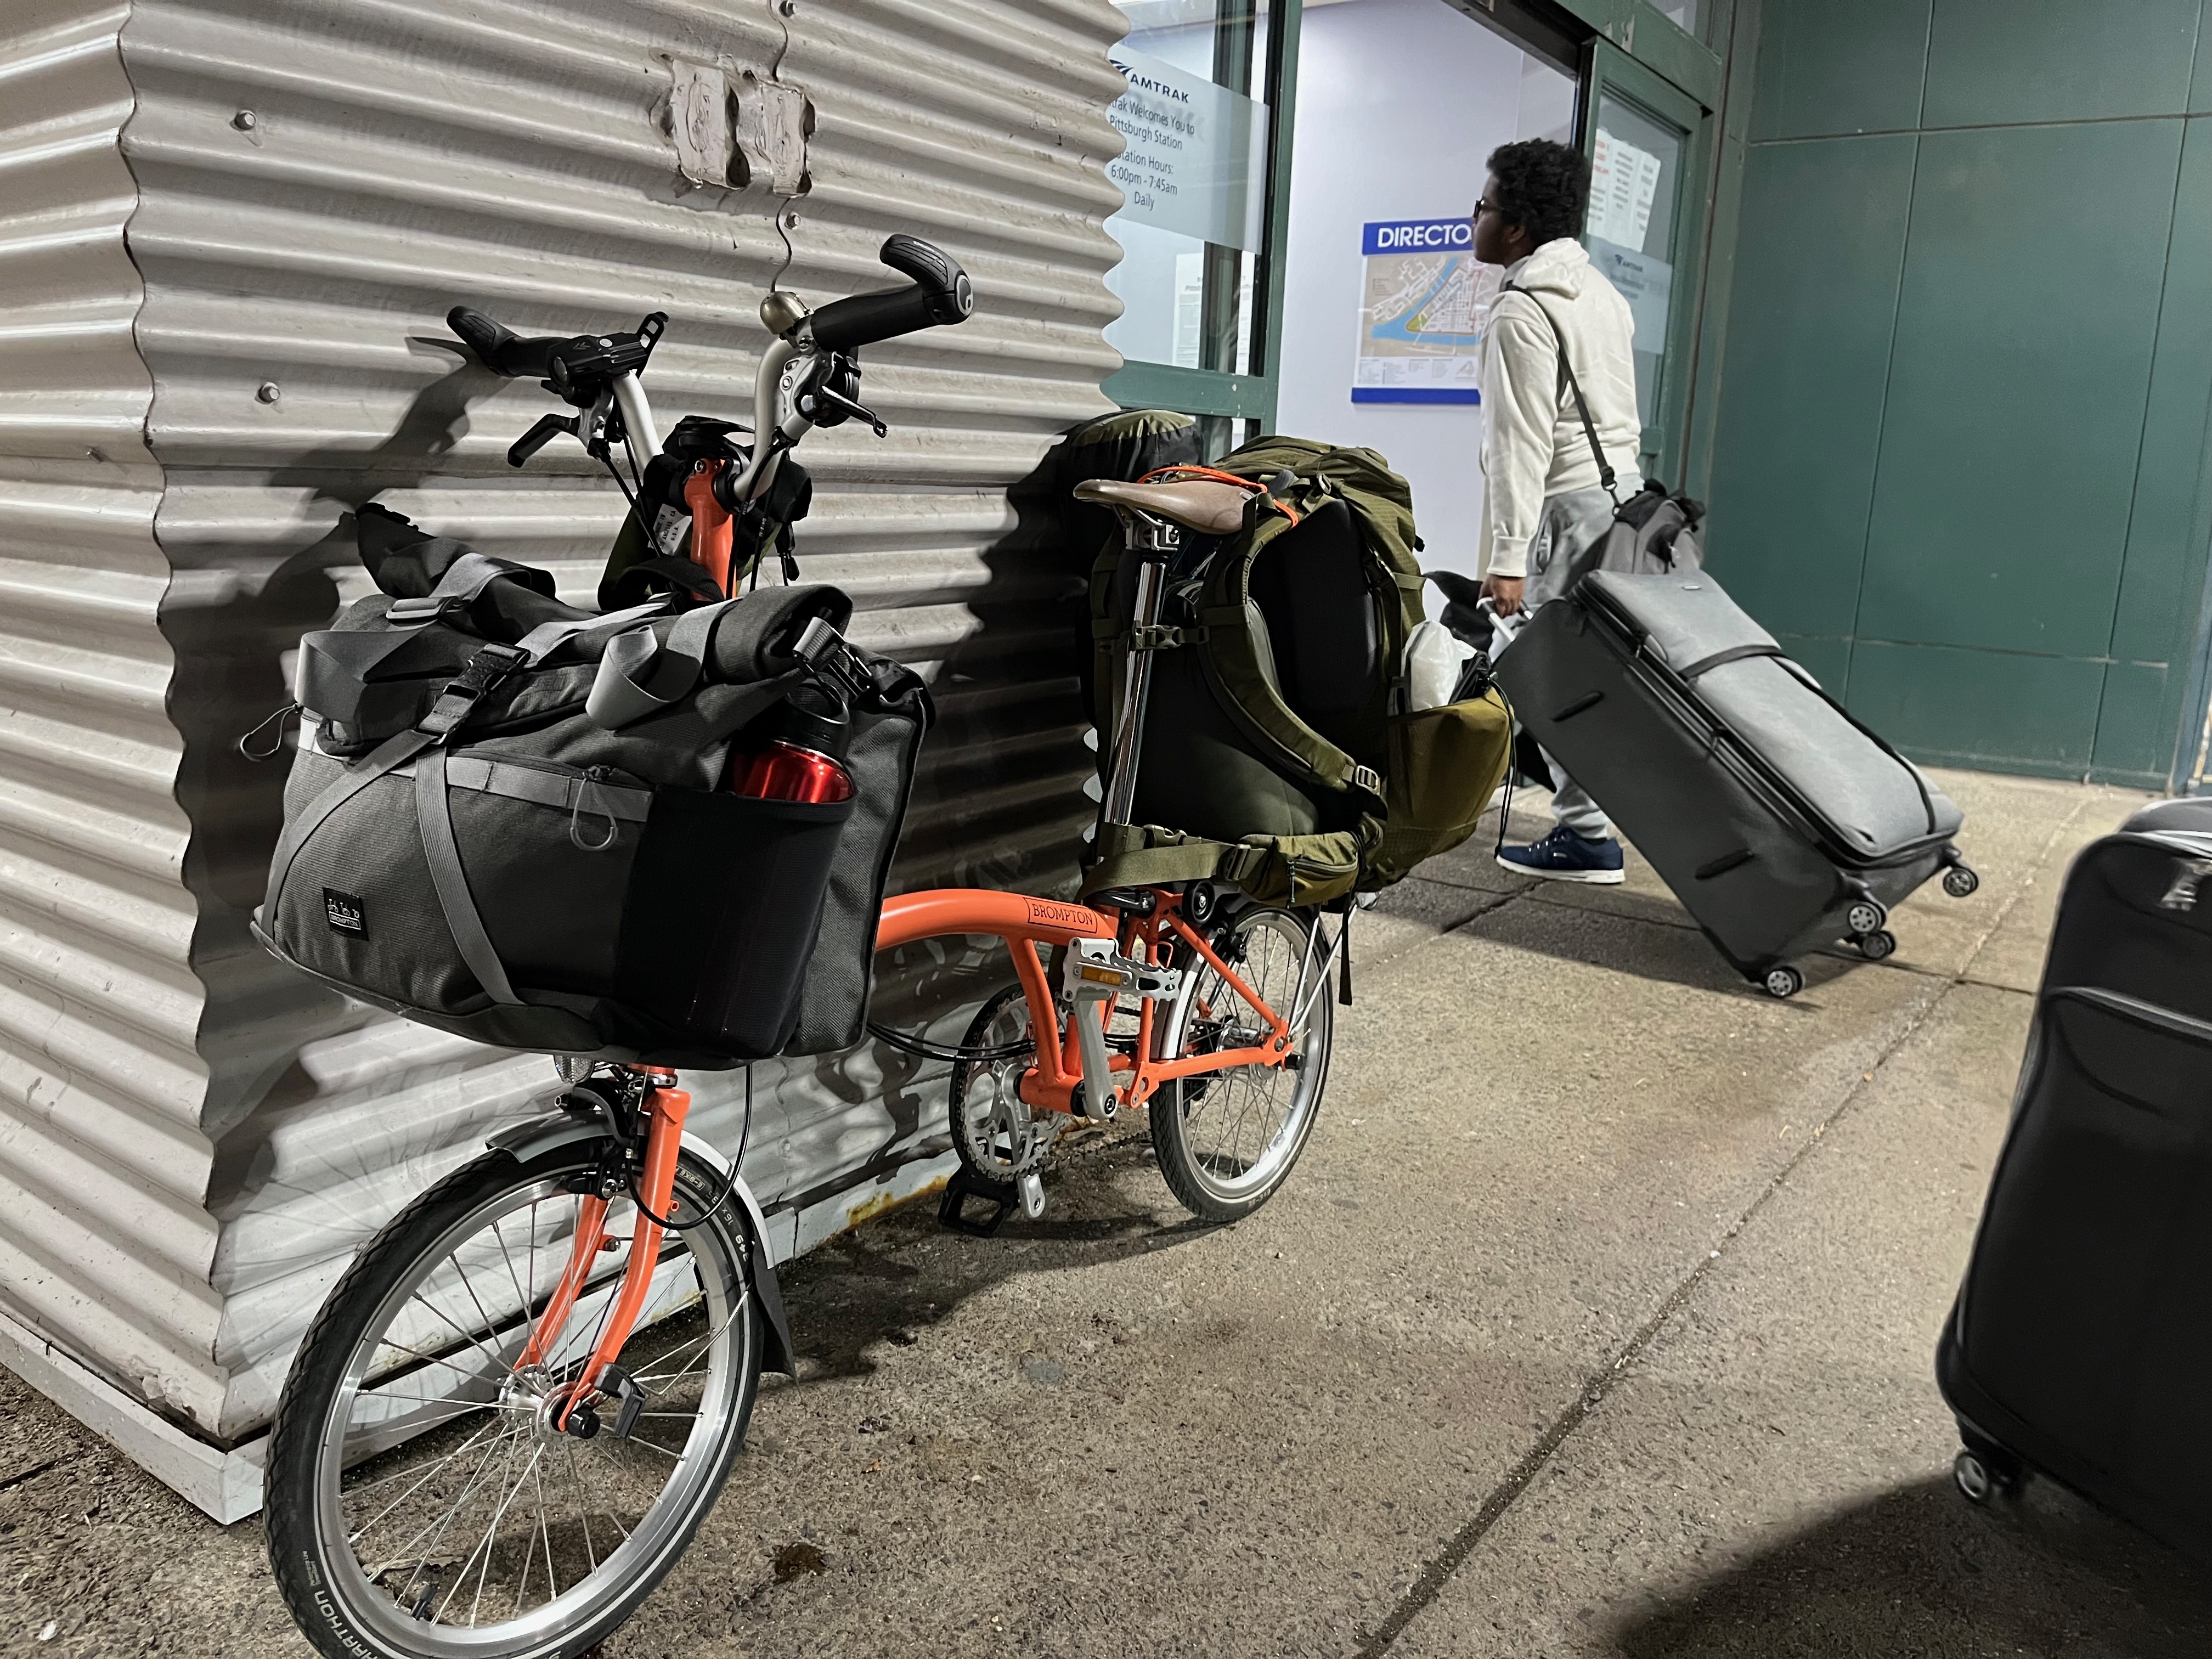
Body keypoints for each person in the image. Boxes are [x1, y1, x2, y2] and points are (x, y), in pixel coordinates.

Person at [1474, 138, 1643, 885]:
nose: (1473, 220)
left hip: (1565, 513)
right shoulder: (1602, 296)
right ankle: (1586, 813)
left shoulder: (1521, 310)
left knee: (1553, 674)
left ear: (1516, 227)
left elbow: (1520, 443)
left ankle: (1584, 835)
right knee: (1595, 673)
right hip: (1623, 507)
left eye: (1483, 207)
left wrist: (1508, 559)